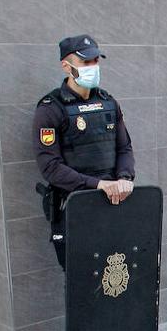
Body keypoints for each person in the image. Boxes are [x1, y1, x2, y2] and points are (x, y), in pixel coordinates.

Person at [33, 34, 135, 269]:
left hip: (113, 206)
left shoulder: (109, 102)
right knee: (82, 282)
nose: (93, 67)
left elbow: (124, 147)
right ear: (66, 66)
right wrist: (99, 185)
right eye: (86, 62)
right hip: (74, 208)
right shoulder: (51, 109)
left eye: (96, 61)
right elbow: (51, 168)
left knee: (116, 277)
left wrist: (125, 178)